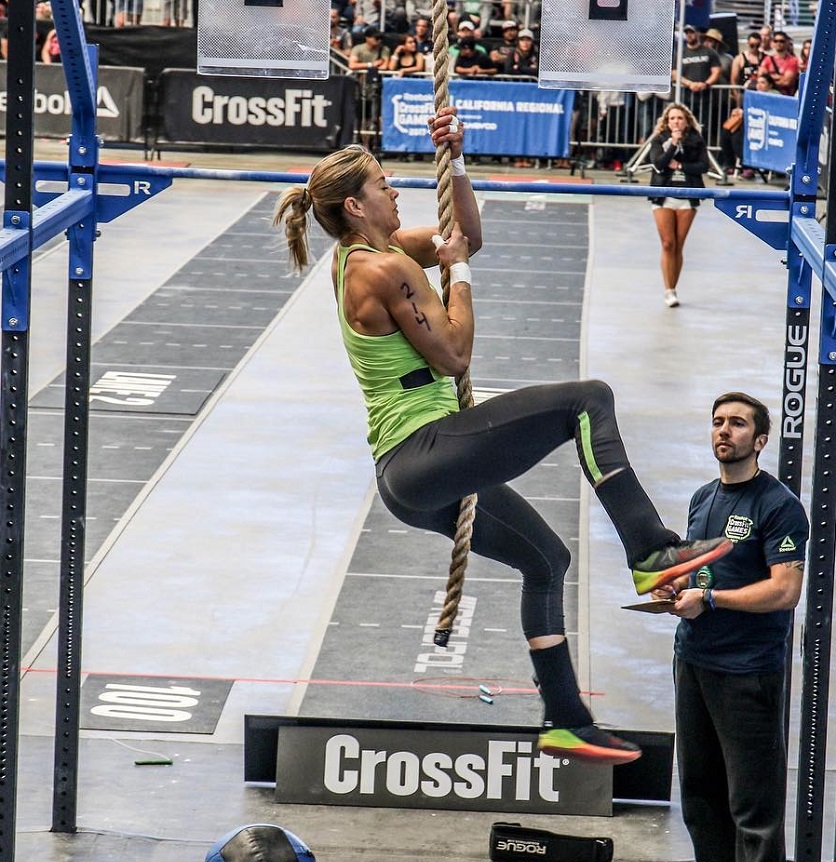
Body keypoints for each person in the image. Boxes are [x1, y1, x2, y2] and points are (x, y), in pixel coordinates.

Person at [272, 107, 732, 766]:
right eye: (383, 182)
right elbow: (454, 354)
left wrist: (455, 161)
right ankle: (650, 549)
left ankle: (565, 720)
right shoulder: (379, 268)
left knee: (546, 561)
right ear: (356, 204)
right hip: (423, 452)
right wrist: (456, 274)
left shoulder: (374, 254)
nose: (397, 189)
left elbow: (467, 234)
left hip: (415, 475)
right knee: (588, 399)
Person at [651, 392, 809, 862]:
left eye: (738, 424)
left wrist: (712, 600)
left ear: (759, 440)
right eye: (718, 422)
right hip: (694, 663)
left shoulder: (779, 507)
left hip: (747, 674)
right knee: (699, 795)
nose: (724, 431)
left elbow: (785, 591)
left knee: (752, 804)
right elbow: (699, 570)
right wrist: (672, 589)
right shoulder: (703, 498)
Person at [648, 102, 708, 308]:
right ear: (667, 121)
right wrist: (673, 144)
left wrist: (682, 165)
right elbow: (659, 164)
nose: (676, 121)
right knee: (667, 243)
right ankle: (667, 289)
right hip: (664, 194)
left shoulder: (696, 140)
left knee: (678, 245)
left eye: (680, 118)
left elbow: (703, 166)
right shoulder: (659, 139)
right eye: (672, 118)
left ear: (687, 121)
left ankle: (673, 287)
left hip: (687, 194)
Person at [673, 25, 722, 128]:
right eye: (687, 33)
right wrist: (689, 84)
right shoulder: (681, 53)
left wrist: (705, 84)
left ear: (698, 34)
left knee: (703, 127)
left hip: (705, 97)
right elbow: (674, 73)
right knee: (685, 125)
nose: (689, 35)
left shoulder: (709, 52)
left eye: (692, 32)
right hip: (686, 97)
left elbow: (716, 71)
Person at [758, 30, 799, 95]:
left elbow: (786, 82)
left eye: (781, 41)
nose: (778, 43)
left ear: (787, 42)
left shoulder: (793, 61)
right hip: (768, 94)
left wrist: (769, 79)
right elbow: (760, 76)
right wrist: (779, 77)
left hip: (784, 96)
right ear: (772, 43)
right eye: (775, 41)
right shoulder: (768, 59)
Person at [730, 31, 765, 104]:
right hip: (744, 93)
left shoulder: (765, 58)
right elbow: (733, 80)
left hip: (760, 93)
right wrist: (737, 96)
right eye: (752, 45)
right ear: (748, 43)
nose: (755, 48)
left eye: (757, 45)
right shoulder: (740, 58)